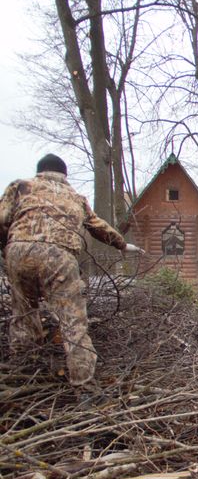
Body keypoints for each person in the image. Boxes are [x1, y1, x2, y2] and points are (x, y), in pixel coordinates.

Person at [0, 154, 143, 386]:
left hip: (19, 251)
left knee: (23, 315)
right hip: (59, 256)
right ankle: (84, 384)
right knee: (73, 323)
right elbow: (98, 226)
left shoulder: (21, 187)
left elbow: (2, 218)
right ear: (64, 175)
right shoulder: (75, 197)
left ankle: (24, 374)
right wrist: (122, 244)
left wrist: (8, 246)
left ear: (40, 171)